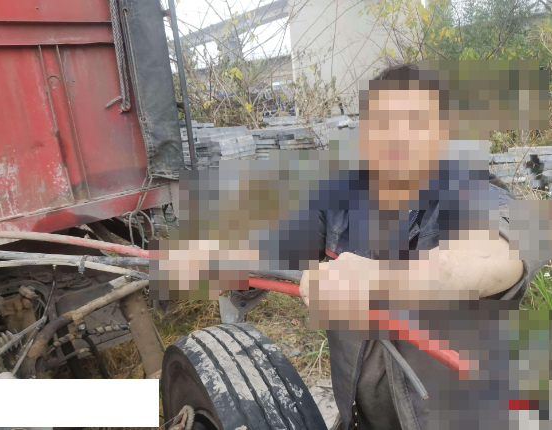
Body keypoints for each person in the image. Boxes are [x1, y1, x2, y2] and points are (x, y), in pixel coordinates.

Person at [159, 62, 548, 429]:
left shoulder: (476, 194)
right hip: (363, 418)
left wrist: (385, 281)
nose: (398, 136)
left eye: (415, 121)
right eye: (384, 122)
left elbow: (500, 250)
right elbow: (273, 247)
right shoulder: (339, 204)